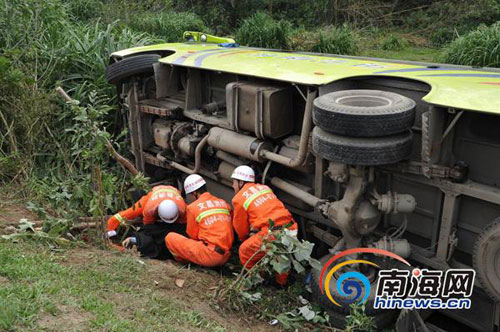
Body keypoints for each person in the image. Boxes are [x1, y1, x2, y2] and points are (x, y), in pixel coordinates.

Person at [231, 165, 298, 285]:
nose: (232, 186)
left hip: (272, 234)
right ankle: (282, 284)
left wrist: (244, 239)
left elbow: (240, 227)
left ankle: (259, 279)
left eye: (234, 182)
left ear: (241, 182)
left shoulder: (239, 198)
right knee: (281, 255)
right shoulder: (264, 188)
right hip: (291, 229)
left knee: (244, 252)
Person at [165, 174, 234, 267]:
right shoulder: (224, 203)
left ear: (194, 193)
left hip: (210, 256)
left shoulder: (193, 208)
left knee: (170, 238)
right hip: (226, 255)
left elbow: (192, 235)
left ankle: (183, 264)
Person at [106, 185, 187, 260]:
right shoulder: (149, 209)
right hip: (154, 197)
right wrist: (107, 232)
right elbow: (148, 228)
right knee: (148, 230)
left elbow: (184, 225)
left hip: (170, 197)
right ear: (157, 213)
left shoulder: (183, 208)